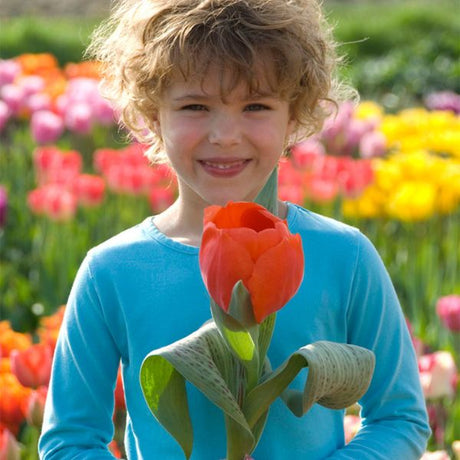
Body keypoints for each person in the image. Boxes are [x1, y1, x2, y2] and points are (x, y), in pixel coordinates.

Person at [39, 0, 431, 458]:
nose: (225, 134)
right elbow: (70, 440)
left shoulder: (342, 256)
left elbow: (399, 416)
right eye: (195, 106)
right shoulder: (113, 271)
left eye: (256, 105)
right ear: (149, 114)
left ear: (295, 115)